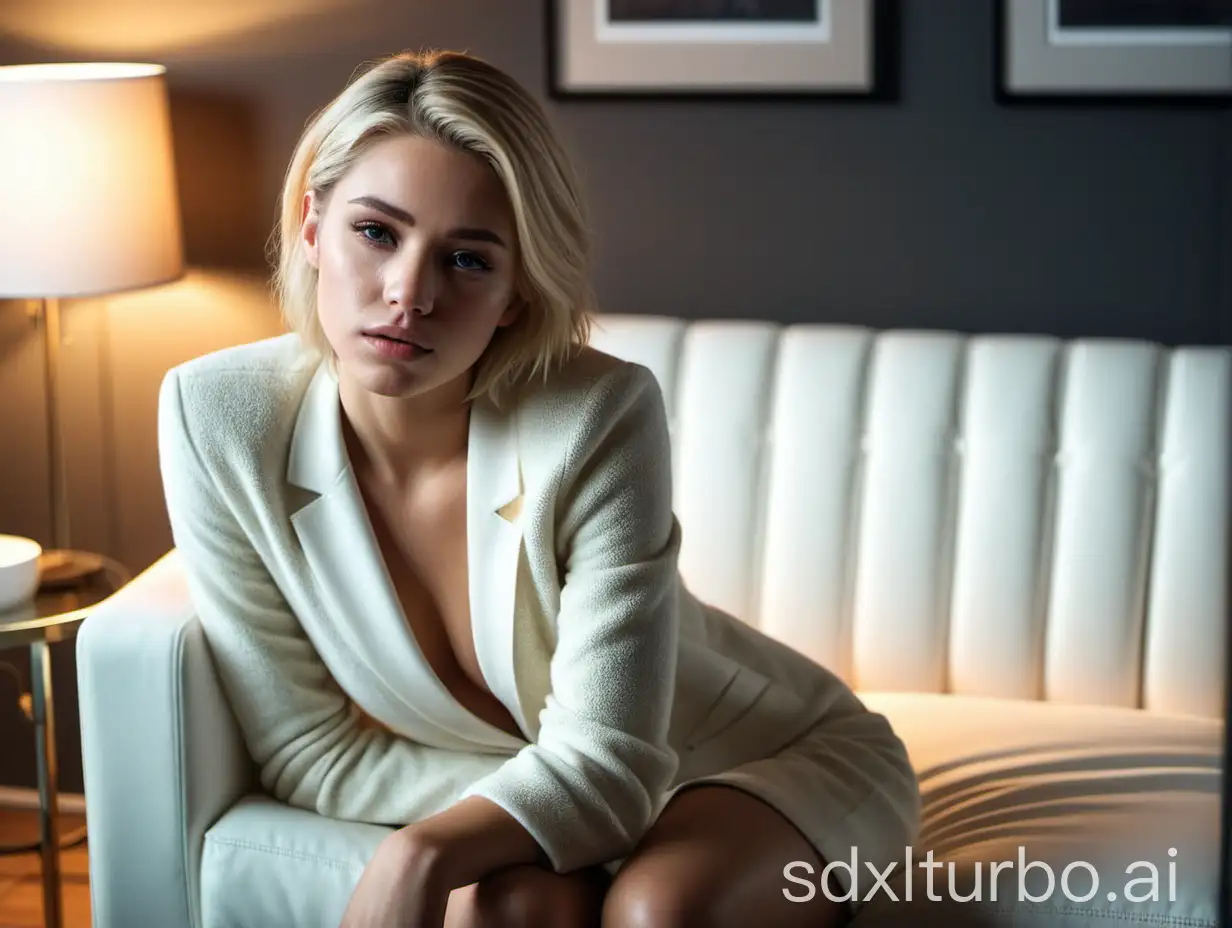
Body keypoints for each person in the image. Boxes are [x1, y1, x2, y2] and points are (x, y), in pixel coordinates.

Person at [158, 48, 921, 928]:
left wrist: (423, 848)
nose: (410, 294)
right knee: (512, 904)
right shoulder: (214, 416)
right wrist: (554, 809)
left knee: (658, 911)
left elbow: (615, 758)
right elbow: (308, 749)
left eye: (468, 260)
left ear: (517, 292)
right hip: (589, 778)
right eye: (376, 232)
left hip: (763, 757)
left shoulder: (596, 416)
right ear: (311, 226)